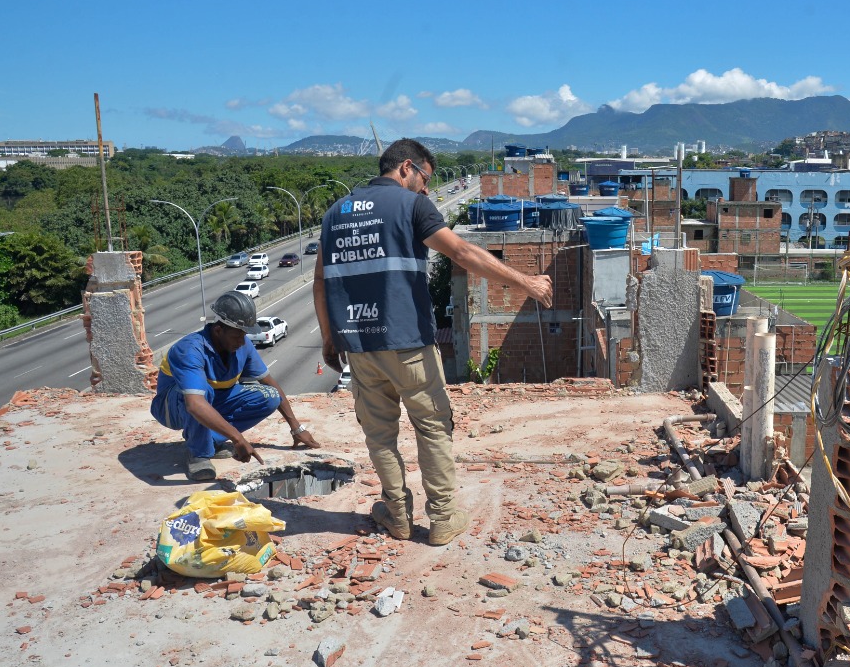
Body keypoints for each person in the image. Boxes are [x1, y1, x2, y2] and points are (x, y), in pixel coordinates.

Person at [313, 139, 552, 546]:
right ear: (407, 167)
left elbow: (321, 281)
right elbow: (460, 251)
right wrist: (526, 282)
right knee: (433, 427)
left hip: (360, 345)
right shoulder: (412, 206)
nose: (426, 187)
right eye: (425, 177)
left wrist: (329, 338)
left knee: (380, 435)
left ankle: (397, 514)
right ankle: (442, 518)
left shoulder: (336, 213)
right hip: (406, 342)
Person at [151, 291, 320, 481]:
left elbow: (270, 382)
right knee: (200, 392)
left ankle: (210, 441)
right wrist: (237, 438)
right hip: (172, 407)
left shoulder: (242, 345)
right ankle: (198, 454)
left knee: (269, 396)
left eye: (244, 335)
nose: (242, 341)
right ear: (218, 331)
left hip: (211, 400)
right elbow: (194, 404)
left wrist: (296, 428)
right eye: (237, 336)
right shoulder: (189, 349)